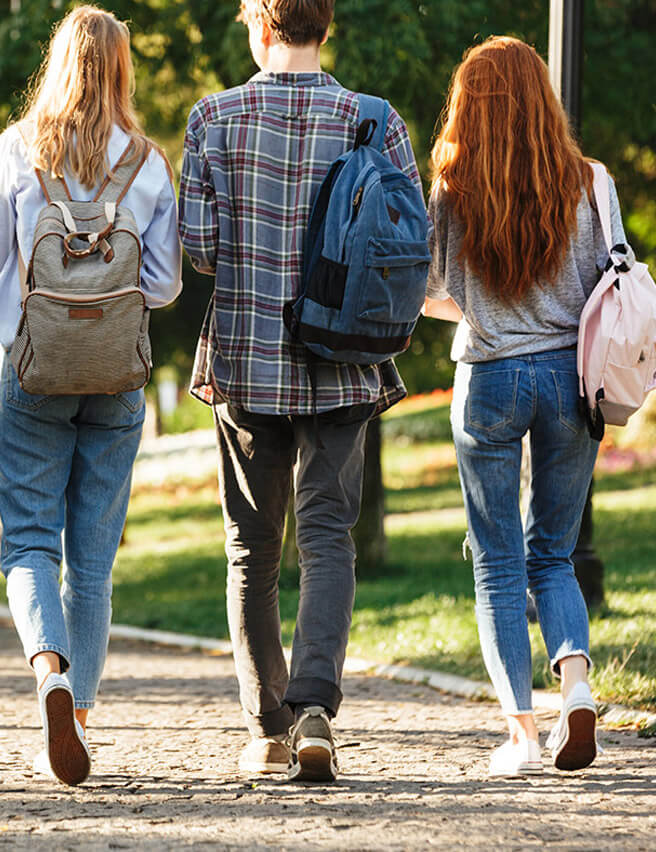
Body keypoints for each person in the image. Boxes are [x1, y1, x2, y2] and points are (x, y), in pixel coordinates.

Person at [178, 0, 420, 782]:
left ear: (260, 25)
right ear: (327, 26)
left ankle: (267, 729)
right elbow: (407, 247)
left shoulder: (212, 117)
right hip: (346, 356)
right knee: (326, 537)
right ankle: (316, 709)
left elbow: (200, 249)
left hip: (248, 358)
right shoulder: (375, 119)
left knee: (252, 548)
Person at [0, 6, 181, 786]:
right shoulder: (150, 164)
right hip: (117, 378)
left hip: (34, 367)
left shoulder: (17, 152)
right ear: (122, 72)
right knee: (92, 562)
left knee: (27, 540)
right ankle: (79, 718)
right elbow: (161, 287)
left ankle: (49, 674)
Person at [422, 36, 623, 777]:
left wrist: (483, 307)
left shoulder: (452, 186)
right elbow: (614, 284)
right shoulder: (592, 182)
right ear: (544, 97)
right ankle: (575, 686)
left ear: (469, 104)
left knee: (497, 562)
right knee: (554, 553)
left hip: (489, 382)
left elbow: (428, 288)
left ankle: (524, 737)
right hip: (572, 381)